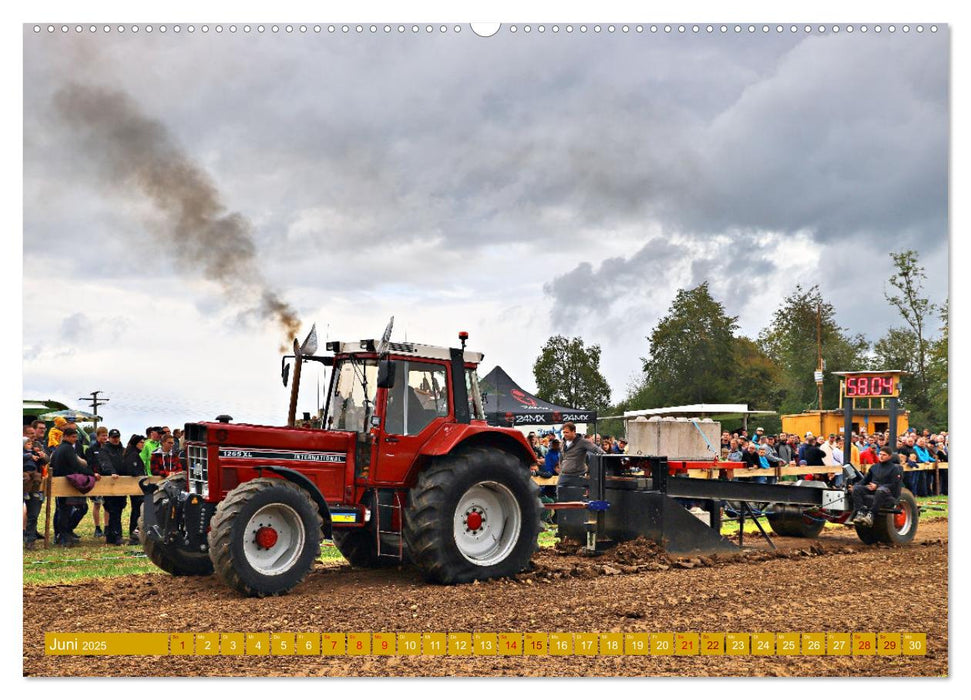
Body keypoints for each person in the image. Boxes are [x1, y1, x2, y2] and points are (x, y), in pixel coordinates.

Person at [50, 428, 100, 546]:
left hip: (61, 482)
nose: (75, 439)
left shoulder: (59, 449)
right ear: (65, 437)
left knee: (64, 510)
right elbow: (76, 466)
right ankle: (64, 535)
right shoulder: (67, 449)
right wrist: (92, 474)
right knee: (70, 510)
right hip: (67, 483)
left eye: (76, 437)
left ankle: (64, 534)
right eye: (73, 437)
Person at [850, 446, 903, 527]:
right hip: (873, 488)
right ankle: (860, 512)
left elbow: (894, 484)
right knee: (857, 489)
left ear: (889, 456)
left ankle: (871, 515)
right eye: (880, 454)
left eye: (884, 455)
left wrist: (877, 486)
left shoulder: (894, 469)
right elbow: (865, 480)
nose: (881, 456)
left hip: (886, 491)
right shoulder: (874, 467)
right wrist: (855, 486)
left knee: (880, 490)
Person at [555, 422, 604, 501]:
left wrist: (593, 468)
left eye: (567, 432)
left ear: (574, 431)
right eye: (563, 432)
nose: (565, 434)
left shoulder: (583, 442)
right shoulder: (563, 442)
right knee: (560, 496)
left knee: (577, 498)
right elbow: (562, 457)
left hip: (577, 475)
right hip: (564, 475)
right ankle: (562, 513)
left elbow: (598, 451)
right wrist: (561, 467)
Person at [98, 429, 129, 545]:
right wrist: (111, 472)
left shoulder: (123, 450)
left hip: (122, 484)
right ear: (110, 438)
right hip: (109, 483)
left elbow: (126, 463)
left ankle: (111, 535)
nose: (116, 439)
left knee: (119, 508)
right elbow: (105, 463)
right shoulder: (104, 450)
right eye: (113, 437)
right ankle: (117, 535)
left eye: (117, 437)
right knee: (113, 509)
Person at [23, 438, 48, 548]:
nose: (30, 444)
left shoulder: (36, 449)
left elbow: (46, 460)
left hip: (34, 485)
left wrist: (42, 456)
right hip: (24, 480)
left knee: (33, 514)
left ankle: (30, 540)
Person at [123, 435, 147, 544]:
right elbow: (132, 470)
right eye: (141, 442)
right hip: (136, 487)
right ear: (136, 443)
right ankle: (134, 533)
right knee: (137, 510)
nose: (143, 444)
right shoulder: (133, 455)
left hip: (136, 486)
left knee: (136, 510)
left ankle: (135, 533)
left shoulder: (133, 453)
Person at [85, 426, 109, 537]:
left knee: (108, 505)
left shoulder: (109, 448)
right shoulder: (91, 449)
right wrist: (93, 473)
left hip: (108, 479)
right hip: (97, 480)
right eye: (103, 435)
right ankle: (97, 527)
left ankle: (107, 526)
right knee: (97, 504)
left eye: (106, 435)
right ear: (98, 436)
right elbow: (88, 464)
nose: (105, 437)